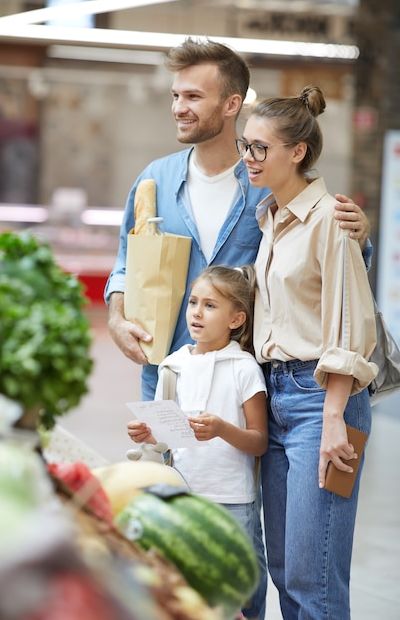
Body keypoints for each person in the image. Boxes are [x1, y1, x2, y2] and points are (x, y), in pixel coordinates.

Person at [104, 38, 372, 620]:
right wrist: (117, 314)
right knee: (184, 541)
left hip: (256, 387)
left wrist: (360, 235)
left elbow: (340, 287)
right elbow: (126, 259)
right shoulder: (159, 180)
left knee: (272, 546)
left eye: (192, 96)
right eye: (175, 95)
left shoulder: (271, 193)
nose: (178, 107)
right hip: (173, 380)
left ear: (231, 103)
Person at [237, 85, 378, 620]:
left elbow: (348, 326)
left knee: (312, 575)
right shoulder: (270, 217)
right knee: (282, 571)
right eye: (245, 145)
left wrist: (335, 418)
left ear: (296, 152)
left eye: (259, 148)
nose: (248, 158)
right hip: (273, 395)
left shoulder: (332, 219)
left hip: (321, 402)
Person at [127, 265, 268, 617]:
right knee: (189, 592)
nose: (196, 312)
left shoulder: (244, 368)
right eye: (193, 302)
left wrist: (222, 429)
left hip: (233, 501)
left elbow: (259, 441)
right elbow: (165, 441)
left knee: (236, 593)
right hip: (184, 498)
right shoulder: (172, 367)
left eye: (210, 305)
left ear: (236, 319)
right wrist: (148, 434)